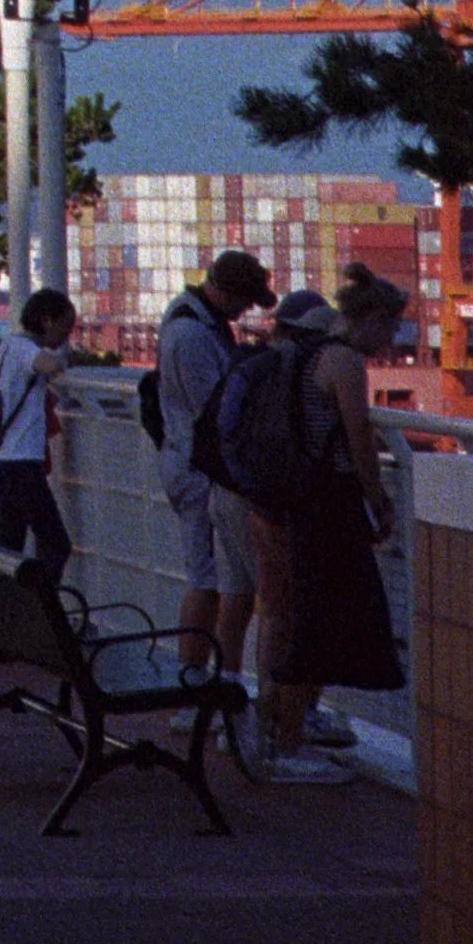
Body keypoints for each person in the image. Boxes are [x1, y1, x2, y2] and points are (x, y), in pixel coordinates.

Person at [248, 268, 409, 779]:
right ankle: (291, 746)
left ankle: (277, 735)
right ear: (373, 318)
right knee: (318, 623)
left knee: (301, 616)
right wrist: (379, 502)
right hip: (328, 505)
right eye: (391, 330)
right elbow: (360, 442)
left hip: (296, 500)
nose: (391, 343)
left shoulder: (303, 353)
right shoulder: (343, 362)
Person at [152, 246, 275, 693]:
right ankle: (193, 689)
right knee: (207, 583)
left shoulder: (194, 322)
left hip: (191, 463)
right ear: (223, 291)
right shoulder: (191, 336)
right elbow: (216, 408)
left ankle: (201, 685)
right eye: (243, 300)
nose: (245, 310)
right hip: (199, 471)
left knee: (212, 581)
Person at [0, 286, 78, 585]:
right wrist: (64, 358)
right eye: (65, 326)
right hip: (22, 466)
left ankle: (9, 615)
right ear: (47, 320)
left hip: (4, 462)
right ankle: (42, 616)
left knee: (9, 548)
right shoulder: (25, 348)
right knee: (56, 544)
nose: (66, 335)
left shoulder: (9, 345)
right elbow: (49, 365)